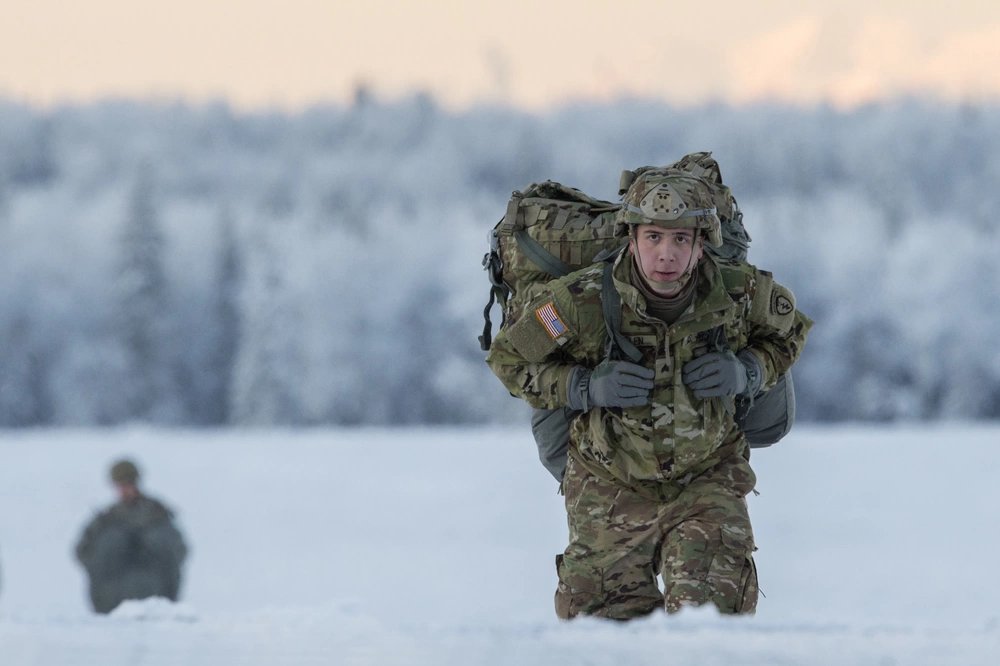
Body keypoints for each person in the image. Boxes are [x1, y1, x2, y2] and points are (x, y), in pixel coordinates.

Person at [486, 165, 812, 620]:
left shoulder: (740, 292)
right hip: (608, 483)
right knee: (603, 636)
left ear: (701, 244)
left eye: (681, 239)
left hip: (706, 478)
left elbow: (789, 332)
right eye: (653, 237)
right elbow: (510, 359)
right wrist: (584, 387)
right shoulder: (579, 301)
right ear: (631, 238)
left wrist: (748, 373)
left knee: (709, 627)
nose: (666, 254)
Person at [74, 458, 188, 614]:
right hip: (112, 600)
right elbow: (83, 551)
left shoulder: (157, 515)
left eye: (129, 483)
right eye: (121, 484)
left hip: (155, 597)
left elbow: (178, 550)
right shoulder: (106, 520)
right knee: (111, 540)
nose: (125, 489)